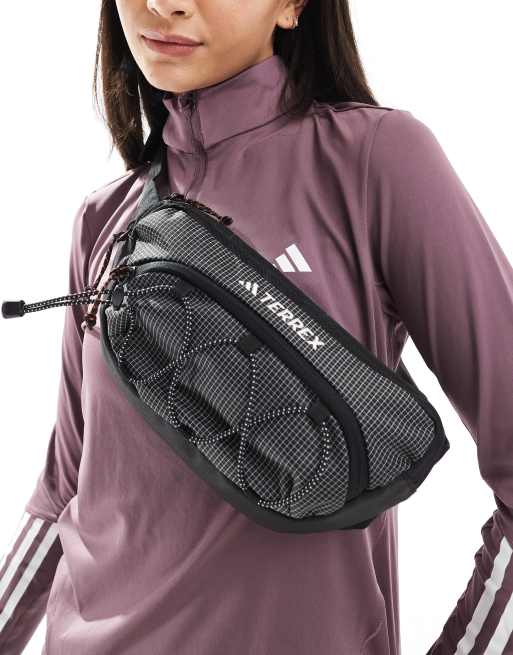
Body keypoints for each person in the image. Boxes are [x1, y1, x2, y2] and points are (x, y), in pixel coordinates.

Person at [1, 1, 512, 653]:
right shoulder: (105, 220)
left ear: (293, 5)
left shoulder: (372, 162)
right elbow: (64, 492)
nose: (164, 4)